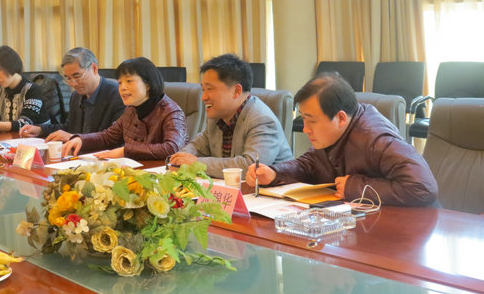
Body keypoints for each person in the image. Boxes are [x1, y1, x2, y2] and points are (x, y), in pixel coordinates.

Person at [246, 73, 438, 206]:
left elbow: (423, 187)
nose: (305, 129)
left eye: (311, 121)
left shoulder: (375, 139)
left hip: (408, 230)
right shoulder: (335, 133)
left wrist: (355, 187)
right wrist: (274, 173)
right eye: (303, 119)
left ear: (340, 118)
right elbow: (309, 165)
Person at [170, 54, 292, 178]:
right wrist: (179, 159)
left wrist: (196, 163)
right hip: (231, 188)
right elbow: (198, 146)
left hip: (268, 190)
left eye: (209, 89)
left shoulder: (261, 119)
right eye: (203, 90)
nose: (204, 97)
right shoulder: (217, 117)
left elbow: (251, 166)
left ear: (236, 91)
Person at [62, 57, 188, 160]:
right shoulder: (131, 109)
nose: (122, 87)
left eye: (129, 81)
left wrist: (125, 151)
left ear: (148, 85)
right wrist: (81, 140)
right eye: (120, 82)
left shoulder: (171, 112)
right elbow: (108, 137)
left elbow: (172, 148)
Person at [19, 48, 125, 141]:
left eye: (77, 76)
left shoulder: (117, 94)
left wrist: (74, 138)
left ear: (94, 68)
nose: (73, 83)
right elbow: (70, 127)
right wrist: (41, 130)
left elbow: (113, 138)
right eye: (68, 78)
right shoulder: (76, 96)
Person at [0, 46, 49, 131]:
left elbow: (25, 124)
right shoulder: (1, 90)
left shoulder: (33, 90)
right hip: (10, 138)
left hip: (38, 138)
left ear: (12, 65)